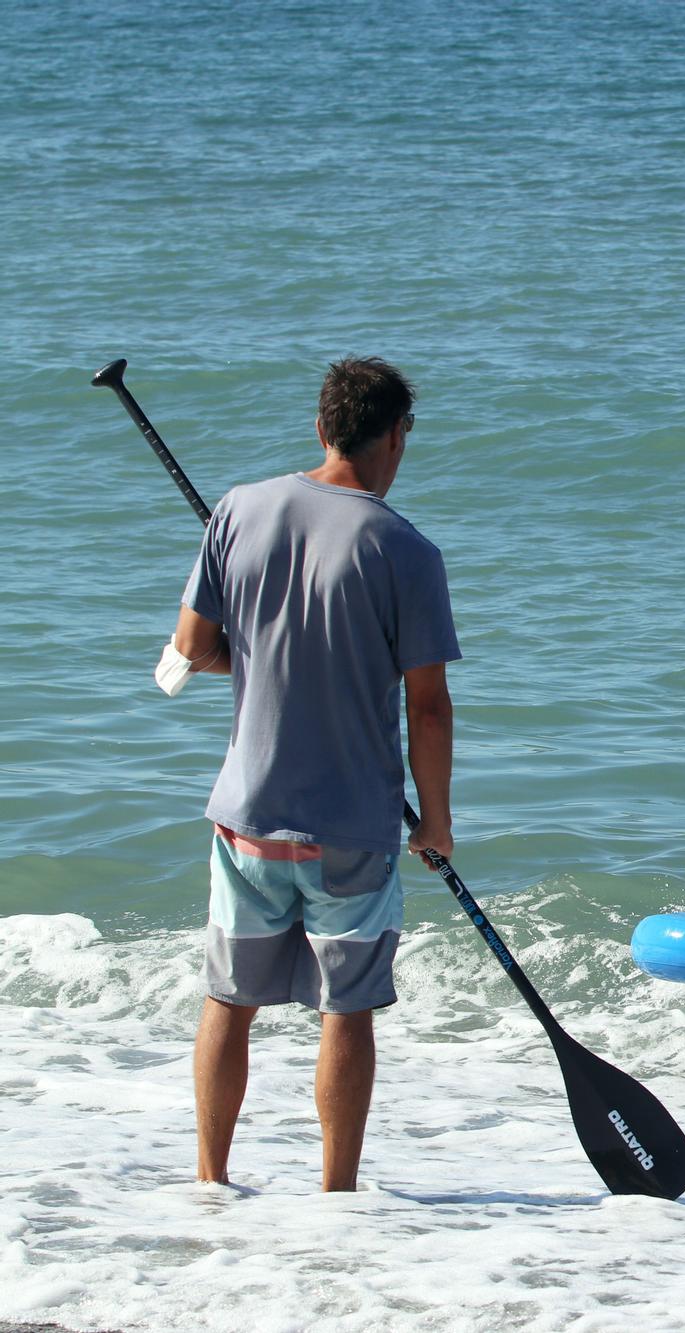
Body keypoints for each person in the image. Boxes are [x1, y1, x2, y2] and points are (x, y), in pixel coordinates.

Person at [163, 357, 459, 1191]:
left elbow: (194, 649)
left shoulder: (238, 509)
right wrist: (434, 823)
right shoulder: (405, 548)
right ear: (395, 434)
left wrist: (265, 655)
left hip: (245, 818)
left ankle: (209, 1180)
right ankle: (337, 1193)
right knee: (346, 1007)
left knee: (228, 999)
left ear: (321, 427)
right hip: (352, 832)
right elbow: (428, 707)